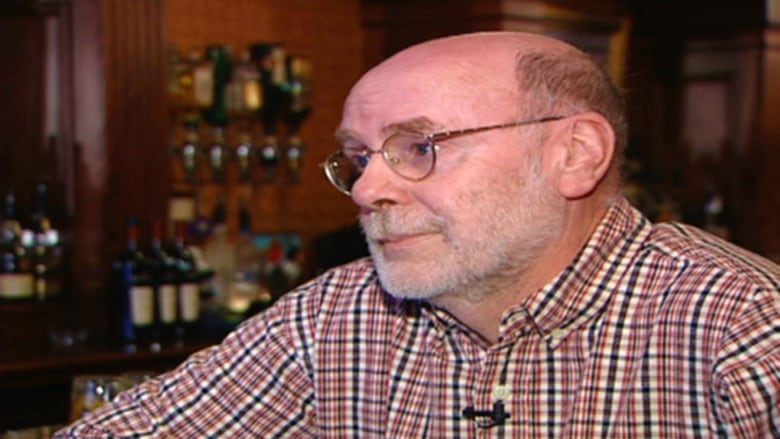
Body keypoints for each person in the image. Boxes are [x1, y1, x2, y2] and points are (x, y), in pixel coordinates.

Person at [55, 31, 779, 438]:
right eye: (360, 158)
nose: (369, 187)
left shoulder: (742, 326)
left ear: (574, 154)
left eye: (420, 147)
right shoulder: (333, 318)